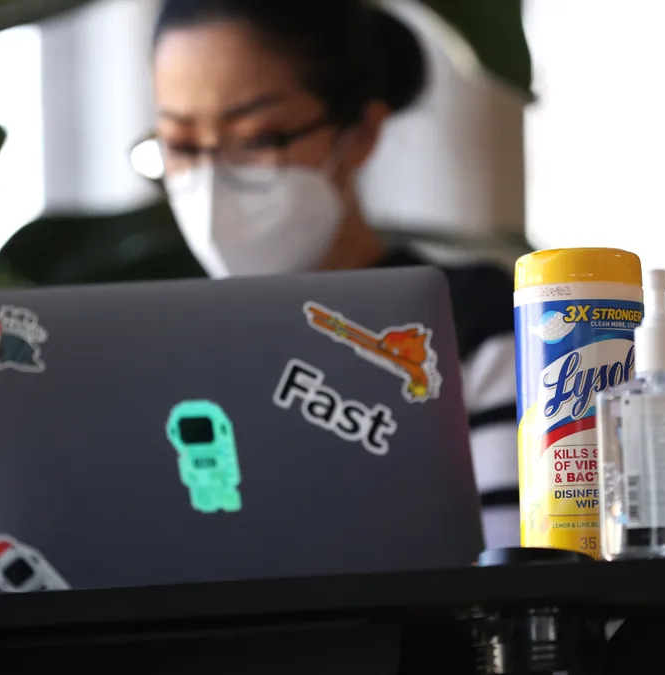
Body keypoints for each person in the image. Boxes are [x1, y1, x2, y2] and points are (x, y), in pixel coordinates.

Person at [152, 0, 520, 548]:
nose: (208, 185)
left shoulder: (471, 326)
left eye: (256, 138)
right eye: (180, 145)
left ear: (362, 133)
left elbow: (520, 583)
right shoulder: (149, 355)